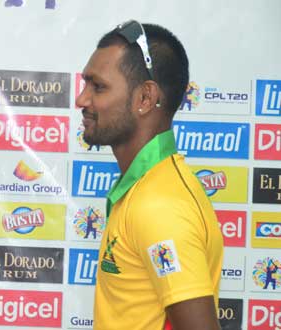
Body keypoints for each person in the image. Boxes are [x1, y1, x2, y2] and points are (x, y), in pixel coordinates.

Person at [75, 20, 223, 330]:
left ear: (145, 98)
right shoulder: (147, 188)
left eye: (97, 86)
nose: (81, 99)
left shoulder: (159, 205)